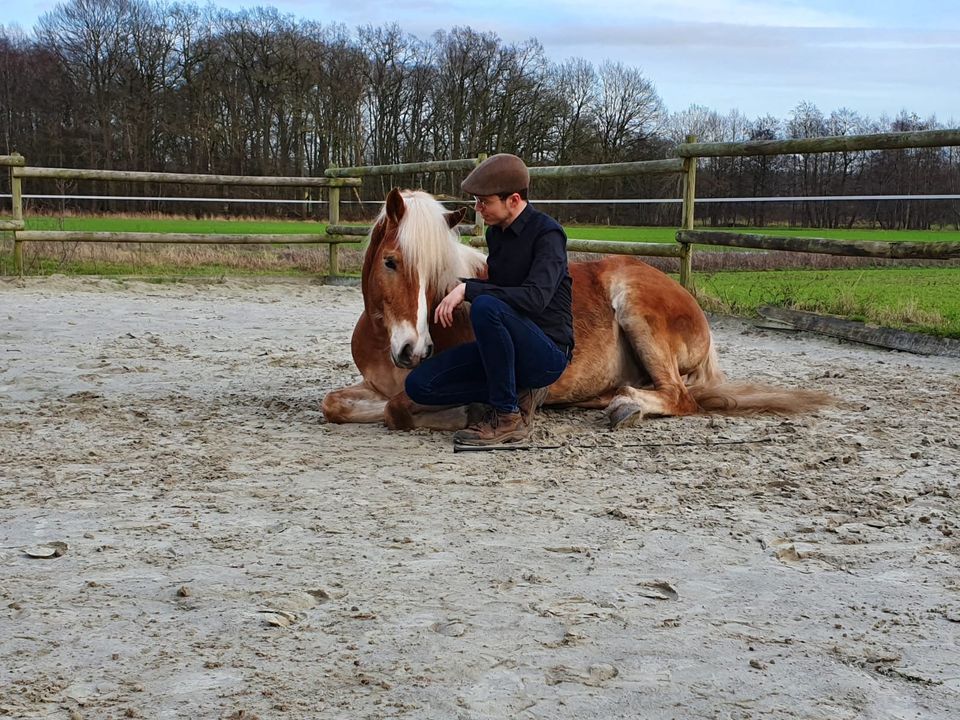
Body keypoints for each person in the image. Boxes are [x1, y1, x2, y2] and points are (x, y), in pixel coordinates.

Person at [404, 153, 574, 445]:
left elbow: (535, 298)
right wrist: (455, 286)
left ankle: (508, 418)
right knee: (420, 386)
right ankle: (513, 393)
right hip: (504, 350)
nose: (477, 208)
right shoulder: (497, 235)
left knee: (484, 306)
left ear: (514, 200)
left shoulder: (548, 234)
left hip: (545, 353)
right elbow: (498, 289)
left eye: (485, 201)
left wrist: (470, 291)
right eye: (476, 201)